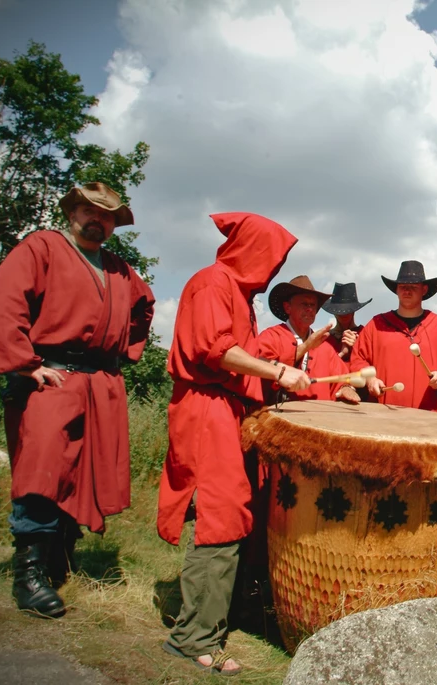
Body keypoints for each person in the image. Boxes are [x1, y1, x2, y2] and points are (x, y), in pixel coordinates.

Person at [0, 182, 154, 618]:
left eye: (108, 215)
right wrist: (24, 363)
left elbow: (142, 307)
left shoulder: (117, 267)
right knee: (43, 470)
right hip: (50, 380)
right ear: (72, 212)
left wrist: (118, 355)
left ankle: (60, 559)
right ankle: (30, 573)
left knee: (81, 473)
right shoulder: (43, 247)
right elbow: (1, 303)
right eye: (89, 210)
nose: (98, 219)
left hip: (97, 384)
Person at [157, 212, 312, 676]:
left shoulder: (238, 296)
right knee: (219, 516)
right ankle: (192, 638)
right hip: (206, 409)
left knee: (233, 513)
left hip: (225, 410)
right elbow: (216, 350)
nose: (273, 270)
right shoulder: (211, 282)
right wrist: (281, 371)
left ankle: (213, 620)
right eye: (272, 258)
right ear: (253, 250)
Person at [352, 260, 437, 412]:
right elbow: (358, 359)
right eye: (403, 287)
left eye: (413, 287)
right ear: (396, 290)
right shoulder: (377, 325)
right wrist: (369, 379)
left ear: (424, 290)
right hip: (383, 412)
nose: (407, 291)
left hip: (429, 415)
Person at [256, 276, 360, 404]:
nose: (310, 309)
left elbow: (342, 378)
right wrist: (306, 347)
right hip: (277, 420)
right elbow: (258, 371)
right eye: (304, 304)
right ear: (287, 307)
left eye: (313, 305)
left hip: (319, 421)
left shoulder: (325, 346)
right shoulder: (270, 337)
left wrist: (346, 388)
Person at [322, 282, 372, 365]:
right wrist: (341, 354)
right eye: (339, 311)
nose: (344, 314)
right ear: (333, 311)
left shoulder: (365, 334)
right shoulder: (325, 338)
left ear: (354, 310)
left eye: (347, 310)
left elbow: (375, 363)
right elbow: (321, 367)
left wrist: (357, 347)